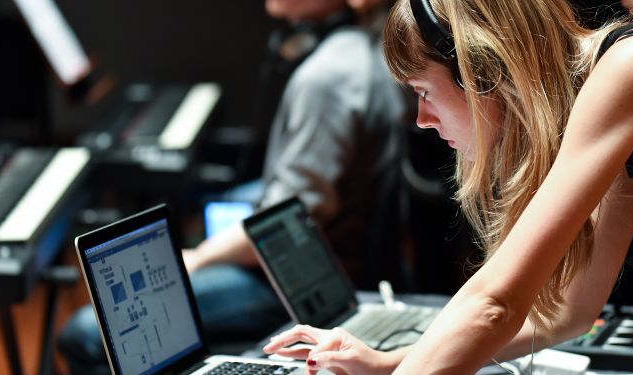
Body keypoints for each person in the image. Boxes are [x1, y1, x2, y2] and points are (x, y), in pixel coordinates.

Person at [263, 0, 633, 373]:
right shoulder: (612, 94)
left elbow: (495, 303)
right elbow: (571, 311)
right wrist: (391, 364)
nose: (422, 119)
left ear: (481, 70)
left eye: (423, 90)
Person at [57, 1, 405, 374]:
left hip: (294, 286)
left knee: (85, 334)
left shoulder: (325, 80)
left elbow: (284, 225)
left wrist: (199, 259)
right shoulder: (362, 49)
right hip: (324, 265)